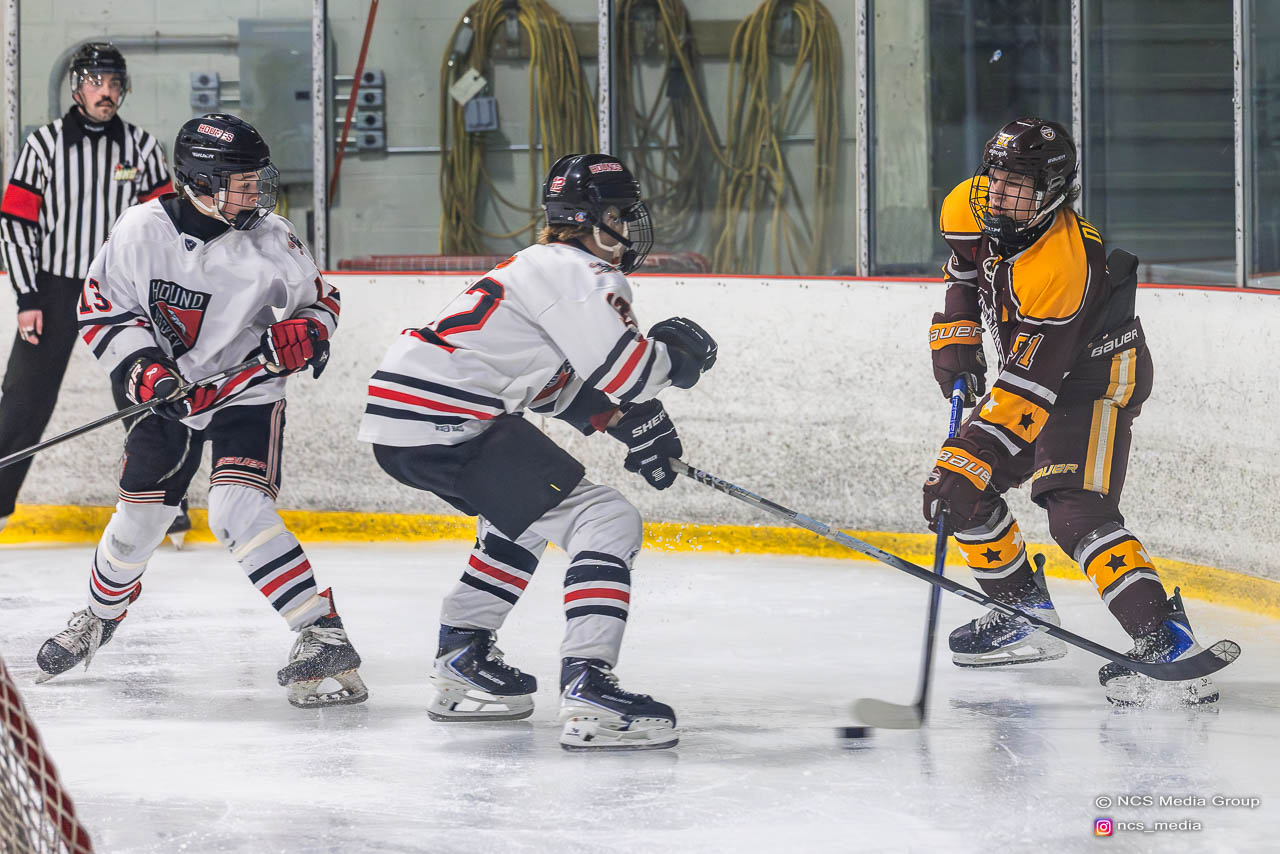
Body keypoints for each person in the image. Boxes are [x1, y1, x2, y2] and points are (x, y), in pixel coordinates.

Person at [358, 153, 717, 750]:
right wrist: (677, 362)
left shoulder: (537, 265)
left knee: (521, 518)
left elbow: (548, 383)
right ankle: (588, 687)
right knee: (607, 518)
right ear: (592, 219)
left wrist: (625, 423)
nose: (627, 228)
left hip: (410, 419)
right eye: (619, 215)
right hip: (449, 418)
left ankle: (463, 657)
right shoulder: (585, 274)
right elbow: (630, 372)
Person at [34, 113, 366, 709]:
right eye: (240, 184)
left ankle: (322, 632)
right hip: (169, 398)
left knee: (237, 509)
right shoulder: (140, 230)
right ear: (198, 182)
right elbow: (103, 309)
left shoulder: (273, 237)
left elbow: (323, 302)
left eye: (256, 181)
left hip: (247, 392)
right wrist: (143, 368)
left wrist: (308, 332)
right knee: (137, 524)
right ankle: (99, 616)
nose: (254, 194)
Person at [923, 116, 1220, 707]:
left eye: (1017, 184)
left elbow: (1030, 391)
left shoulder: (1065, 265)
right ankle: (1022, 614)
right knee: (962, 492)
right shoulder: (968, 204)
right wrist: (956, 334)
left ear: (1053, 191)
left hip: (1094, 379)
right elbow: (963, 271)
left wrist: (971, 453)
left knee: (1074, 509)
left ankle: (1167, 640)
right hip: (1034, 371)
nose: (998, 193)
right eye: (995, 177)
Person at [0, 43, 189, 540]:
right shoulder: (43, 145)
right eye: (95, 82)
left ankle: (166, 500)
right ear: (76, 88)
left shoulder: (142, 147)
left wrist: (158, 294)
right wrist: (27, 297)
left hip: (121, 289)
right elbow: (16, 223)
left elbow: (164, 228)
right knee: (23, 398)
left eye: (113, 83)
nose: (105, 92)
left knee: (144, 388)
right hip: (54, 289)